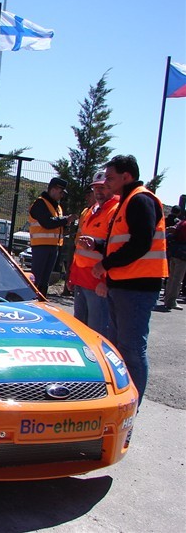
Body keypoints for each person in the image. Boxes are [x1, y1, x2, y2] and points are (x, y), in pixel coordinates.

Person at [84, 155, 167, 406]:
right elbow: (124, 241)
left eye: (110, 177)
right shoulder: (126, 201)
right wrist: (99, 245)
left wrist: (105, 264)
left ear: (126, 177)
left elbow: (140, 243)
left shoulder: (140, 200)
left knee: (131, 349)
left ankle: (133, 406)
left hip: (138, 287)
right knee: (120, 347)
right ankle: (124, 400)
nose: (106, 182)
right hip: (123, 284)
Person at [67, 170, 119, 336]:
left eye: (103, 187)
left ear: (111, 187)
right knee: (80, 331)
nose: (98, 191)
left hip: (98, 283)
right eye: (95, 188)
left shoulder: (115, 211)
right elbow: (81, 248)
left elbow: (115, 249)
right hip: (82, 280)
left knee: (97, 333)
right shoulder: (92, 210)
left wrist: (106, 281)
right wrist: (73, 276)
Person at [28, 177, 78, 296]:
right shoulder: (40, 203)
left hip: (53, 246)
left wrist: (67, 223)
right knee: (36, 278)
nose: (62, 196)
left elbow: (57, 225)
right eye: (61, 192)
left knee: (45, 281)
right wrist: (65, 219)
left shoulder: (57, 207)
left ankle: (41, 300)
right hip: (41, 246)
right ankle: (30, 300)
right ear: (53, 189)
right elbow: (48, 223)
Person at [162, 210, 186, 310]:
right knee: (177, 279)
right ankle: (171, 301)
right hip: (182, 255)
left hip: (174, 253)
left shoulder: (181, 223)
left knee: (172, 278)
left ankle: (167, 298)